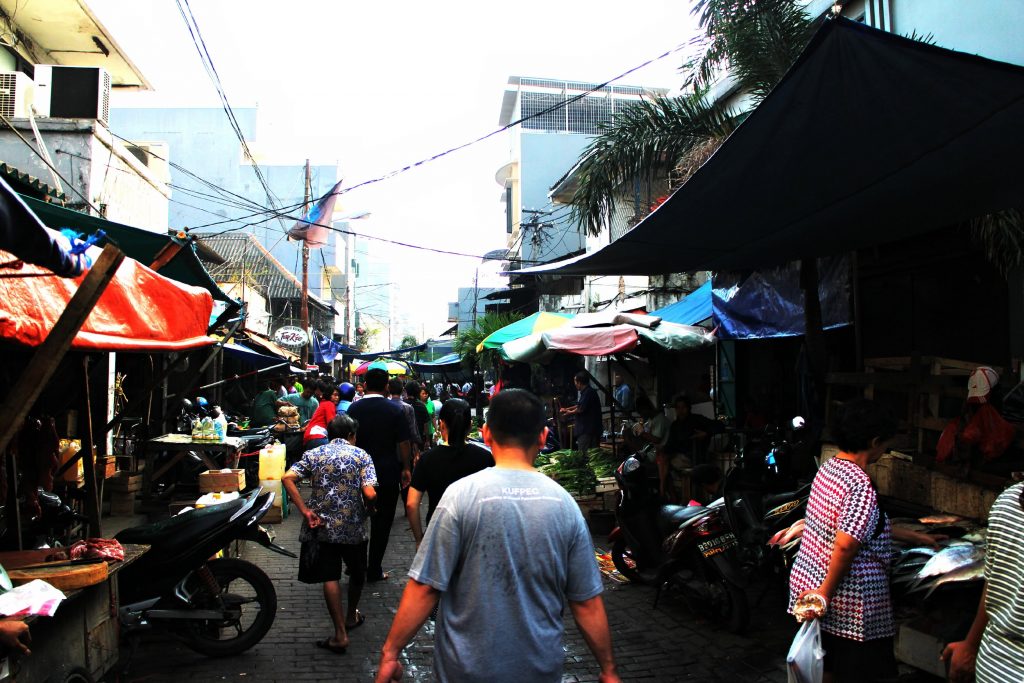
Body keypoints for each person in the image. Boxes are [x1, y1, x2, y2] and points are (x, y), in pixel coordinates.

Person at [375, 389, 619, 683]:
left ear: (487, 433)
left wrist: (391, 653)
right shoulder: (564, 505)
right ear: (543, 437)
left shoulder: (459, 497)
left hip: (462, 669)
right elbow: (586, 601)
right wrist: (608, 670)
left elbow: (426, 587)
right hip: (538, 669)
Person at [789, 398, 941, 683]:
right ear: (874, 441)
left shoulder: (829, 468)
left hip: (814, 583)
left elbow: (857, 526)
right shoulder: (859, 485)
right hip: (853, 604)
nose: (886, 451)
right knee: (861, 671)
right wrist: (825, 594)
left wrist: (915, 535)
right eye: (886, 445)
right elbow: (846, 544)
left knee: (829, 666)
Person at [282, 413, 377, 654]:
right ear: (351, 435)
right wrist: (372, 508)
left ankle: (339, 634)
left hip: (321, 526)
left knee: (330, 576)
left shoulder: (315, 454)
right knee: (357, 573)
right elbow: (370, 493)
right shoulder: (362, 455)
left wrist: (304, 510)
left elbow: (287, 477)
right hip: (353, 526)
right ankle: (351, 616)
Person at [941, 480, 1024, 682]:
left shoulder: (1009, 499)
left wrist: (970, 644)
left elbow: (992, 580)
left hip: (993, 665)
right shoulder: (1009, 501)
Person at [347, 368, 413, 583]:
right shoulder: (395, 411)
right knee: (382, 522)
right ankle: (374, 568)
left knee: (356, 519)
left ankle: (355, 565)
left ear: (364, 384)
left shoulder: (353, 408)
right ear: (386, 386)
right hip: (386, 472)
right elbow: (403, 442)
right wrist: (405, 468)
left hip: (357, 472)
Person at [406, 398, 494, 547]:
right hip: (475, 535)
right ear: (470, 426)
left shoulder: (427, 459)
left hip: (438, 531)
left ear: (441, 424)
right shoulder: (485, 458)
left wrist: (419, 539)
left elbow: (411, 504)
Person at [559, 371, 602, 458]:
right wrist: (567, 409)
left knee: (584, 455)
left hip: (587, 430)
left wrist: (568, 413)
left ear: (579, 382)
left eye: (575, 381)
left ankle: (586, 470)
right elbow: (580, 405)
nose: (574, 384)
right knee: (592, 455)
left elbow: (580, 409)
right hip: (591, 430)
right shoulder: (588, 392)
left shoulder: (588, 392)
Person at [303, 381, 340, 452]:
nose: (337, 397)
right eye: (335, 395)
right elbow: (332, 425)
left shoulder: (323, 403)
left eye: (338, 395)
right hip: (318, 438)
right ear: (329, 394)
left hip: (310, 437)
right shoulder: (329, 404)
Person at [404, 380, 430, 451]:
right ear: (418, 392)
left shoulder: (403, 404)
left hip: (405, 440)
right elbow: (426, 425)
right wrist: (427, 440)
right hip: (419, 439)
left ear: (406, 390)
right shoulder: (421, 405)